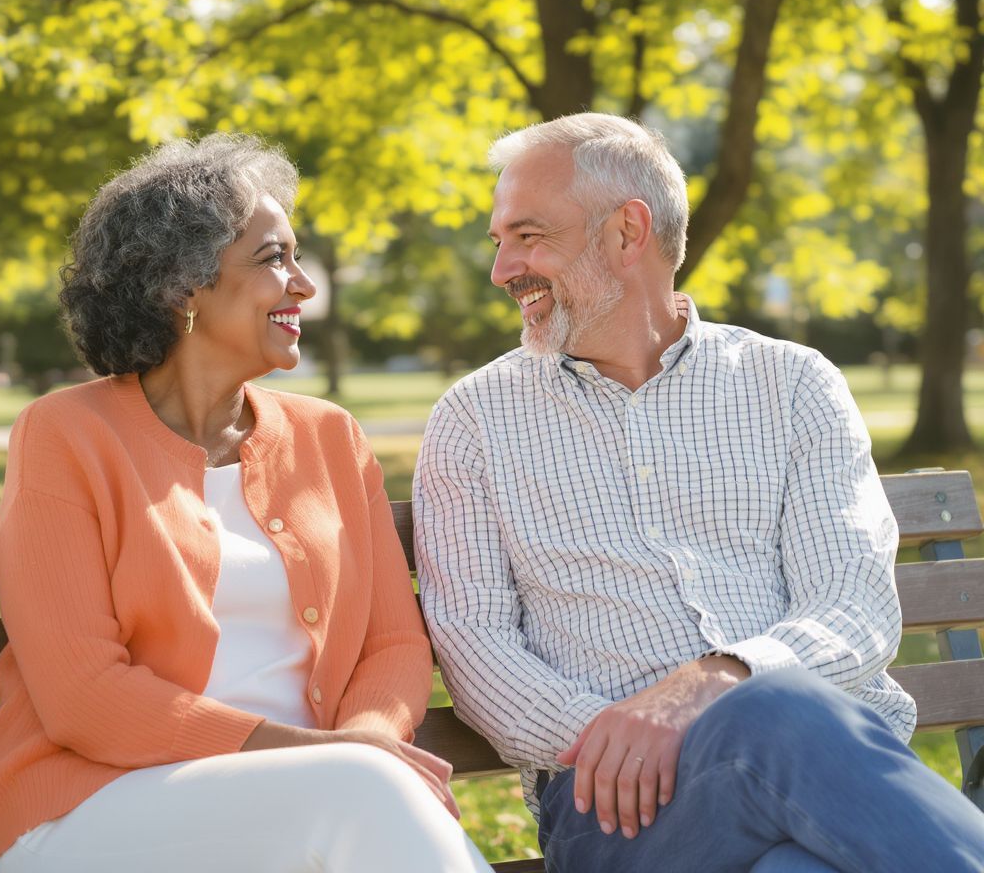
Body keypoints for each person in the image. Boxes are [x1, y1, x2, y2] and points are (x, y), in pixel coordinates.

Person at [413, 112, 984, 872]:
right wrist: (626, 738)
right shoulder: (474, 420)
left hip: (824, 777)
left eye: (529, 236)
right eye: (499, 242)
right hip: (614, 809)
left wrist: (715, 680)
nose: (502, 269)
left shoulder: (793, 384)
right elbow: (476, 646)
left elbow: (854, 606)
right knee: (774, 712)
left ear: (626, 232)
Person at [0, 134, 493, 873]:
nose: (304, 285)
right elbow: (84, 697)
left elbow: (393, 646)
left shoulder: (331, 438)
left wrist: (367, 742)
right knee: (360, 793)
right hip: (91, 807)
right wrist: (331, 758)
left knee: (362, 792)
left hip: (319, 801)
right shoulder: (65, 436)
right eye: (274, 258)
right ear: (182, 286)